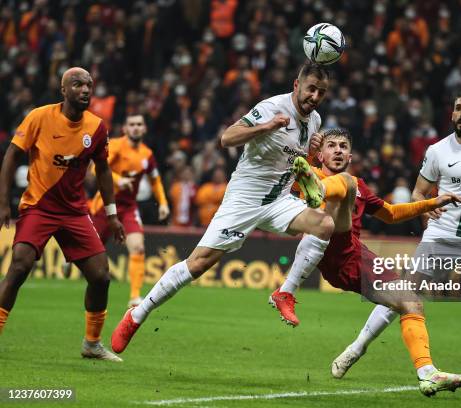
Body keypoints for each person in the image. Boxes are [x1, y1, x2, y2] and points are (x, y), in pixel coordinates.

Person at [111, 61, 335, 354]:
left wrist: (314, 153)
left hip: (278, 200)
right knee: (199, 264)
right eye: (311, 89)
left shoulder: (315, 121)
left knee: (325, 224)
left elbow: (295, 159)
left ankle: (285, 293)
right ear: (296, 85)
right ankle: (137, 315)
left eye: (321, 92)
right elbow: (226, 138)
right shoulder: (271, 108)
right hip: (243, 199)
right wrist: (266, 126)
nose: (315, 97)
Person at [332, 91, 461, 391]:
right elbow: (418, 192)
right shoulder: (437, 152)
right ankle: (356, 348)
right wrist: (425, 211)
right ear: (451, 115)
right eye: (458, 108)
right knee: (402, 294)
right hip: (440, 236)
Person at [280, 128, 461, 396]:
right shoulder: (303, 174)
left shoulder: (357, 185)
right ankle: (320, 191)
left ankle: (428, 373)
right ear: (320, 153)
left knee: (410, 301)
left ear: (350, 154)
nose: (338, 150)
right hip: (323, 247)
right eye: (332, 145)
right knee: (344, 184)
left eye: (343, 146)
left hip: (354, 257)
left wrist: (430, 203)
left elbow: (391, 214)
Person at [0, 67, 125, 361]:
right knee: (19, 266)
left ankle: (92, 344)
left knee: (101, 277)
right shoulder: (39, 117)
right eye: (78, 84)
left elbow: (104, 170)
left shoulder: (96, 127)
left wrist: (112, 214)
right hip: (39, 207)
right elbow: (11, 155)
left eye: (89, 85)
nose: (85, 90)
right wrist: (4, 202)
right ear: (63, 90)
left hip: (74, 213)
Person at [89, 114, 169, 307]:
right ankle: (73, 263)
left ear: (144, 129)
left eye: (139, 124)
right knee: (90, 252)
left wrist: (164, 203)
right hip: (105, 206)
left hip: (127, 208)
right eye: (131, 124)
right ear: (125, 128)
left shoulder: (147, 155)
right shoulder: (115, 146)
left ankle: (134, 297)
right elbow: (95, 169)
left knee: (138, 248)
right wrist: (118, 180)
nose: (135, 128)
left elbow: (155, 180)